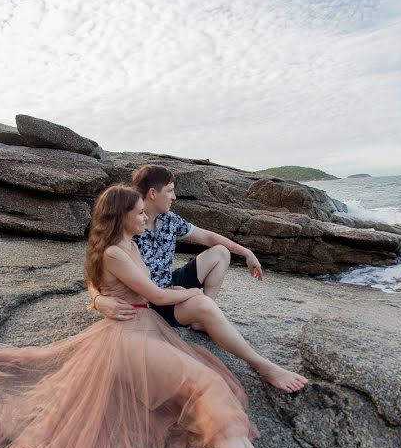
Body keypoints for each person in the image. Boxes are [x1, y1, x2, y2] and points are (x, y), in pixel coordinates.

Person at [0, 185, 325, 448]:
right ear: (122, 217)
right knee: (210, 385)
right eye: (138, 213)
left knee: (209, 385)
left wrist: (103, 297)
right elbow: (156, 295)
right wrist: (193, 295)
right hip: (127, 341)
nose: (144, 218)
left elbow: (126, 284)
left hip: (144, 330)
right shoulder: (115, 253)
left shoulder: (130, 243)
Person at [90, 165, 307, 393]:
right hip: (153, 300)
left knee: (221, 252)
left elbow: (208, 237)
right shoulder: (129, 226)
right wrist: (98, 299)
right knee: (202, 302)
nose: (174, 196)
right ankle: (263, 366)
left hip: (168, 283)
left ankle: (200, 318)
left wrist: (246, 252)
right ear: (153, 193)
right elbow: (99, 266)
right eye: (171, 190)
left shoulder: (168, 220)